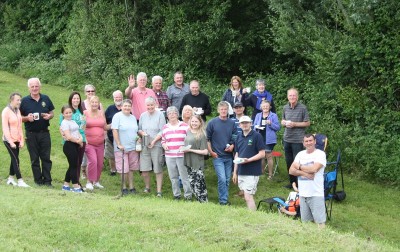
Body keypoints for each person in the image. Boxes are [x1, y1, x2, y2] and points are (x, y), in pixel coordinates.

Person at [20, 77, 55, 186]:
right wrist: (26, 118)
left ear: (40, 87)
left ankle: (47, 181)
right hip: (31, 134)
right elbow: (19, 117)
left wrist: (49, 116)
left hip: (44, 133)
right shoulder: (24, 101)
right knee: (34, 159)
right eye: (32, 86)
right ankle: (38, 181)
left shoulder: (46, 98)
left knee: (46, 158)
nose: (35, 88)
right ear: (29, 88)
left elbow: (52, 113)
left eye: (36, 86)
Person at [289, 134, 327, 228]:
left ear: (315, 142)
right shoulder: (300, 154)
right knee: (306, 223)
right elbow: (291, 171)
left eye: (310, 140)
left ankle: (323, 239)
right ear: (303, 143)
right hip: (303, 193)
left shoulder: (320, 154)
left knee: (320, 222)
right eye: (306, 141)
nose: (308, 143)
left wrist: (299, 167)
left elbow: (314, 169)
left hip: (316, 193)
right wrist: (305, 174)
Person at [206, 101, 237, 205]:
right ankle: (223, 201)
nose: (224, 111)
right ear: (218, 110)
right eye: (222, 109)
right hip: (217, 156)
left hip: (229, 156)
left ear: (228, 110)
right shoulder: (212, 123)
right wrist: (211, 152)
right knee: (222, 179)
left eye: (225, 109)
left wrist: (232, 146)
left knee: (227, 179)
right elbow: (207, 139)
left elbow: (235, 137)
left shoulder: (232, 123)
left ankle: (224, 198)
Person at [232, 116, 265, 211]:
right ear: (239, 125)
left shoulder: (257, 136)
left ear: (251, 123)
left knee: (248, 196)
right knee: (246, 195)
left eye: (247, 122)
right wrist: (235, 172)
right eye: (243, 123)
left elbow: (262, 154)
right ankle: (252, 215)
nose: (245, 124)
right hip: (241, 171)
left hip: (252, 171)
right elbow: (237, 154)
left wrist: (248, 160)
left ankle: (253, 216)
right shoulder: (238, 136)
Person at [281, 88, 310, 188]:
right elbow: (283, 120)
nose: (292, 97)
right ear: (287, 97)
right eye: (290, 96)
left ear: (297, 97)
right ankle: (292, 182)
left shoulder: (303, 108)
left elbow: (307, 123)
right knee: (289, 161)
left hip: (298, 139)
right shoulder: (285, 107)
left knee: (297, 162)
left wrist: (295, 124)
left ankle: (299, 183)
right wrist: (283, 123)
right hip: (287, 138)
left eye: (294, 95)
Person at [161, 106, 192, 200]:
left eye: (174, 113)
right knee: (173, 177)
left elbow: (190, 139)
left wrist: (186, 147)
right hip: (170, 156)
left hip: (181, 155)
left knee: (184, 176)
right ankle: (176, 195)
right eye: (169, 113)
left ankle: (188, 195)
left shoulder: (185, 126)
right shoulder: (165, 127)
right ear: (167, 116)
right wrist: (164, 145)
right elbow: (163, 140)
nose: (172, 115)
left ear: (177, 114)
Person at [138, 97, 166, 196]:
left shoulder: (160, 115)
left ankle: (159, 191)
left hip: (156, 144)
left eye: (151, 105)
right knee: (144, 169)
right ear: (145, 106)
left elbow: (163, 130)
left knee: (158, 168)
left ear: (155, 105)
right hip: (145, 144)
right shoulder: (142, 115)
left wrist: (154, 141)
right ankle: (147, 187)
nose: (150, 107)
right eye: (148, 105)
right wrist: (143, 133)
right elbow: (139, 129)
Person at [112, 99, 140, 195]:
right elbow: (114, 130)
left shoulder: (133, 117)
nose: (127, 108)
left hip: (132, 147)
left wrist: (138, 139)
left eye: (129, 106)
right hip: (121, 148)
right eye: (125, 106)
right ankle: (124, 187)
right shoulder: (117, 116)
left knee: (132, 168)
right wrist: (119, 143)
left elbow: (135, 131)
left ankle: (131, 187)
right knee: (123, 169)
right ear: (121, 107)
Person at [2, 93, 30, 187]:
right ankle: (20, 180)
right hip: (8, 140)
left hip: (17, 139)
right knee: (16, 159)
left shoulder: (17, 110)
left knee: (14, 159)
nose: (19, 102)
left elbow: (19, 126)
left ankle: (10, 179)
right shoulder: (6, 111)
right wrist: (10, 142)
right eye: (18, 100)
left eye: (20, 100)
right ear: (12, 100)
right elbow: (5, 128)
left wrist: (21, 140)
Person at [59, 92, 87, 182]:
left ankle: (74, 181)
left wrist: (82, 138)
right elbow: (61, 127)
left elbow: (83, 126)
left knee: (78, 163)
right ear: (71, 100)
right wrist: (64, 135)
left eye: (78, 98)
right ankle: (75, 183)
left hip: (82, 139)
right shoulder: (67, 111)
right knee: (74, 163)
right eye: (74, 98)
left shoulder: (82, 111)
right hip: (71, 141)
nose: (76, 100)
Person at [182, 115, 209, 203]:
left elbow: (205, 152)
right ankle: (198, 201)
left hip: (197, 162)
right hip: (189, 161)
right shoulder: (188, 131)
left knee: (200, 184)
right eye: (192, 121)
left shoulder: (202, 134)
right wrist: (183, 149)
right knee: (192, 183)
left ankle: (204, 202)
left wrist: (190, 150)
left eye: (196, 121)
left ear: (200, 123)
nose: (194, 123)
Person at [84, 96, 108, 190]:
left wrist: (116, 123)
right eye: (92, 102)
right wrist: (83, 138)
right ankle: (89, 181)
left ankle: (96, 181)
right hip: (89, 143)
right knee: (92, 161)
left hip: (100, 143)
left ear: (98, 104)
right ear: (89, 103)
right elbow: (81, 127)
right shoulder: (85, 113)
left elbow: (105, 127)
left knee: (99, 163)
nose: (94, 104)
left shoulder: (101, 113)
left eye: (96, 102)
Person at [253, 100, 281, 179]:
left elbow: (278, 127)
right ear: (261, 107)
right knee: (261, 155)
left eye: (267, 106)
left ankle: (270, 174)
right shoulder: (258, 115)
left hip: (269, 139)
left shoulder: (273, 115)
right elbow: (254, 126)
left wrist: (270, 123)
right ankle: (261, 172)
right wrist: (256, 127)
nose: (265, 107)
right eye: (264, 106)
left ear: (269, 107)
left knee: (269, 156)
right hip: (259, 138)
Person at [60, 105, 84, 193]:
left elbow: (78, 132)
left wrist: (81, 138)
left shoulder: (73, 121)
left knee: (72, 165)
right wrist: (78, 142)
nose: (68, 114)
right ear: (63, 114)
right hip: (69, 146)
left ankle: (66, 185)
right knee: (74, 166)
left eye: (70, 112)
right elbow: (69, 137)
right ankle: (75, 185)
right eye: (66, 113)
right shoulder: (64, 122)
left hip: (75, 145)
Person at [81, 84, 103, 179]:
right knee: (88, 159)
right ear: (85, 93)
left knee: (96, 160)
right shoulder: (82, 105)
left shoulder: (99, 105)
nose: (90, 93)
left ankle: (95, 179)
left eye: (92, 91)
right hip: (87, 138)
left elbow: (103, 121)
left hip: (99, 139)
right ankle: (85, 173)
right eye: (88, 91)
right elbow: (81, 123)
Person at [105, 90, 123, 176]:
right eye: (116, 97)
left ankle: (122, 169)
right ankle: (113, 170)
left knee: (121, 154)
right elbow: (104, 123)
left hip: (123, 136)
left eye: (119, 97)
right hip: (111, 135)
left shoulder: (126, 107)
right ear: (113, 98)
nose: (118, 99)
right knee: (111, 155)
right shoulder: (109, 109)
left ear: (122, 98)